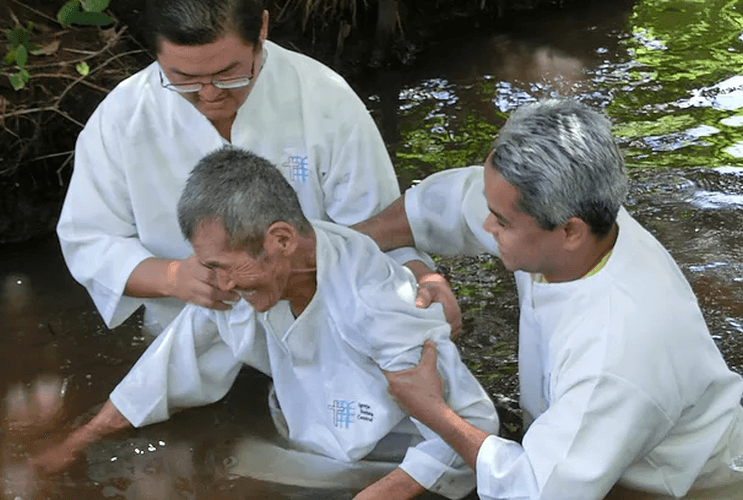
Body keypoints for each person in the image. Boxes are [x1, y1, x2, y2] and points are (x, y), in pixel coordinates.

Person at [355, 99, 743, 499]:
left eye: (500, 221)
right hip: (602, 452)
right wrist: (343, 245)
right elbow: (443, 205)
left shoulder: (615, 350)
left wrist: (434, 411)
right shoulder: (567, 220)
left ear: (570, 232)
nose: (487, 224)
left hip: (694, 488)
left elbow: (537, 491)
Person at [37, 147, 499, 500]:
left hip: (391, 467)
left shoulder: (379, 302)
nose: (214, 282)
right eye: (208, 265)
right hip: (307, 448)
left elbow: (477, 423)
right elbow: (169, 367)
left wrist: (382, 493)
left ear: (280, 239)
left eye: (222, 266)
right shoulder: (245, 277)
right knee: (214, 463)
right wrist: (77, 441)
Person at [56, 0, 458, 337]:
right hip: (188, 333)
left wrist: (418, 276)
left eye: (228, 74)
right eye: (183, 79)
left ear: (262, 29)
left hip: (320, 324)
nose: (209, 95)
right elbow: (89, 239)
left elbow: (378, 225)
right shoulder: (123, 118)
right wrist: (172, 276)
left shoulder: (323, 97)